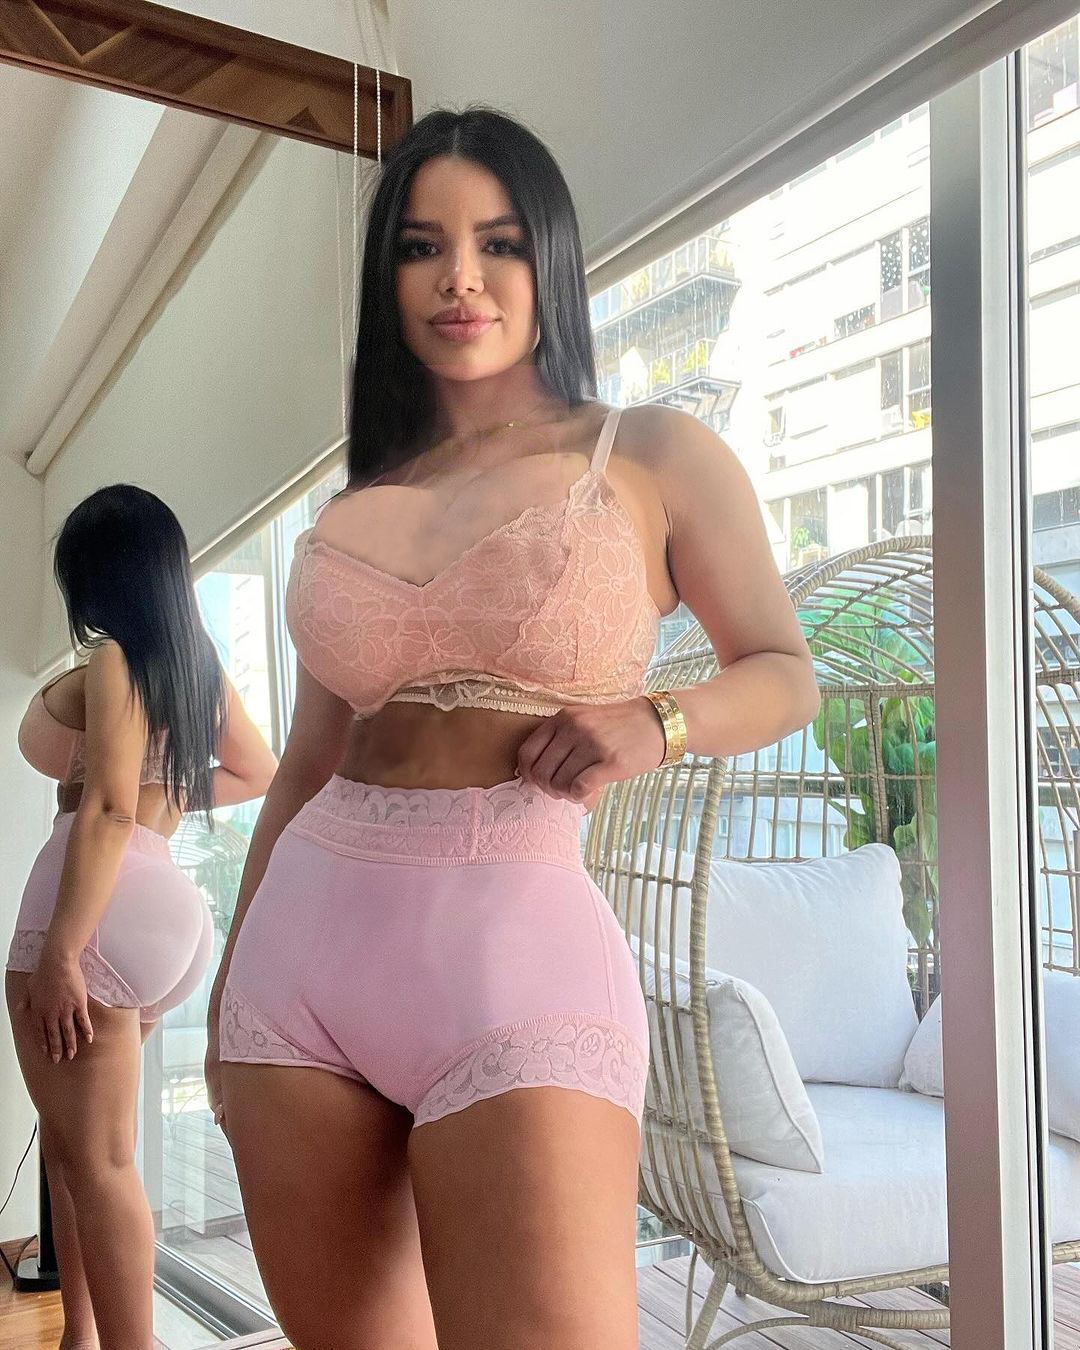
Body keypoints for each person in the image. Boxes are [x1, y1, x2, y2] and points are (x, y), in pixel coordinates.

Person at [206, 107, 819, 1350]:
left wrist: (662, 719)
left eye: (497, 243)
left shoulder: (650, 454)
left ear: (551, 261)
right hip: (295, 971)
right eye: (422, 247)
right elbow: (309, 765)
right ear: (387, 279)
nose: (461, 278)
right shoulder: (352, 508)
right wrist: (227, 992)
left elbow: (783, 671)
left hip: (517, 959)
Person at [5, 484, 277, 1350]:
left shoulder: (115, 659)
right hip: (164, 904)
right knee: (76, 1147)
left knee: (99, 1159)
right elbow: (257, 769)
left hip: (95, 906)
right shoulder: (196, 666)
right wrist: (170, 795)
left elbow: (109, 808)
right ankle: (79, 1337)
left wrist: (62, 954)